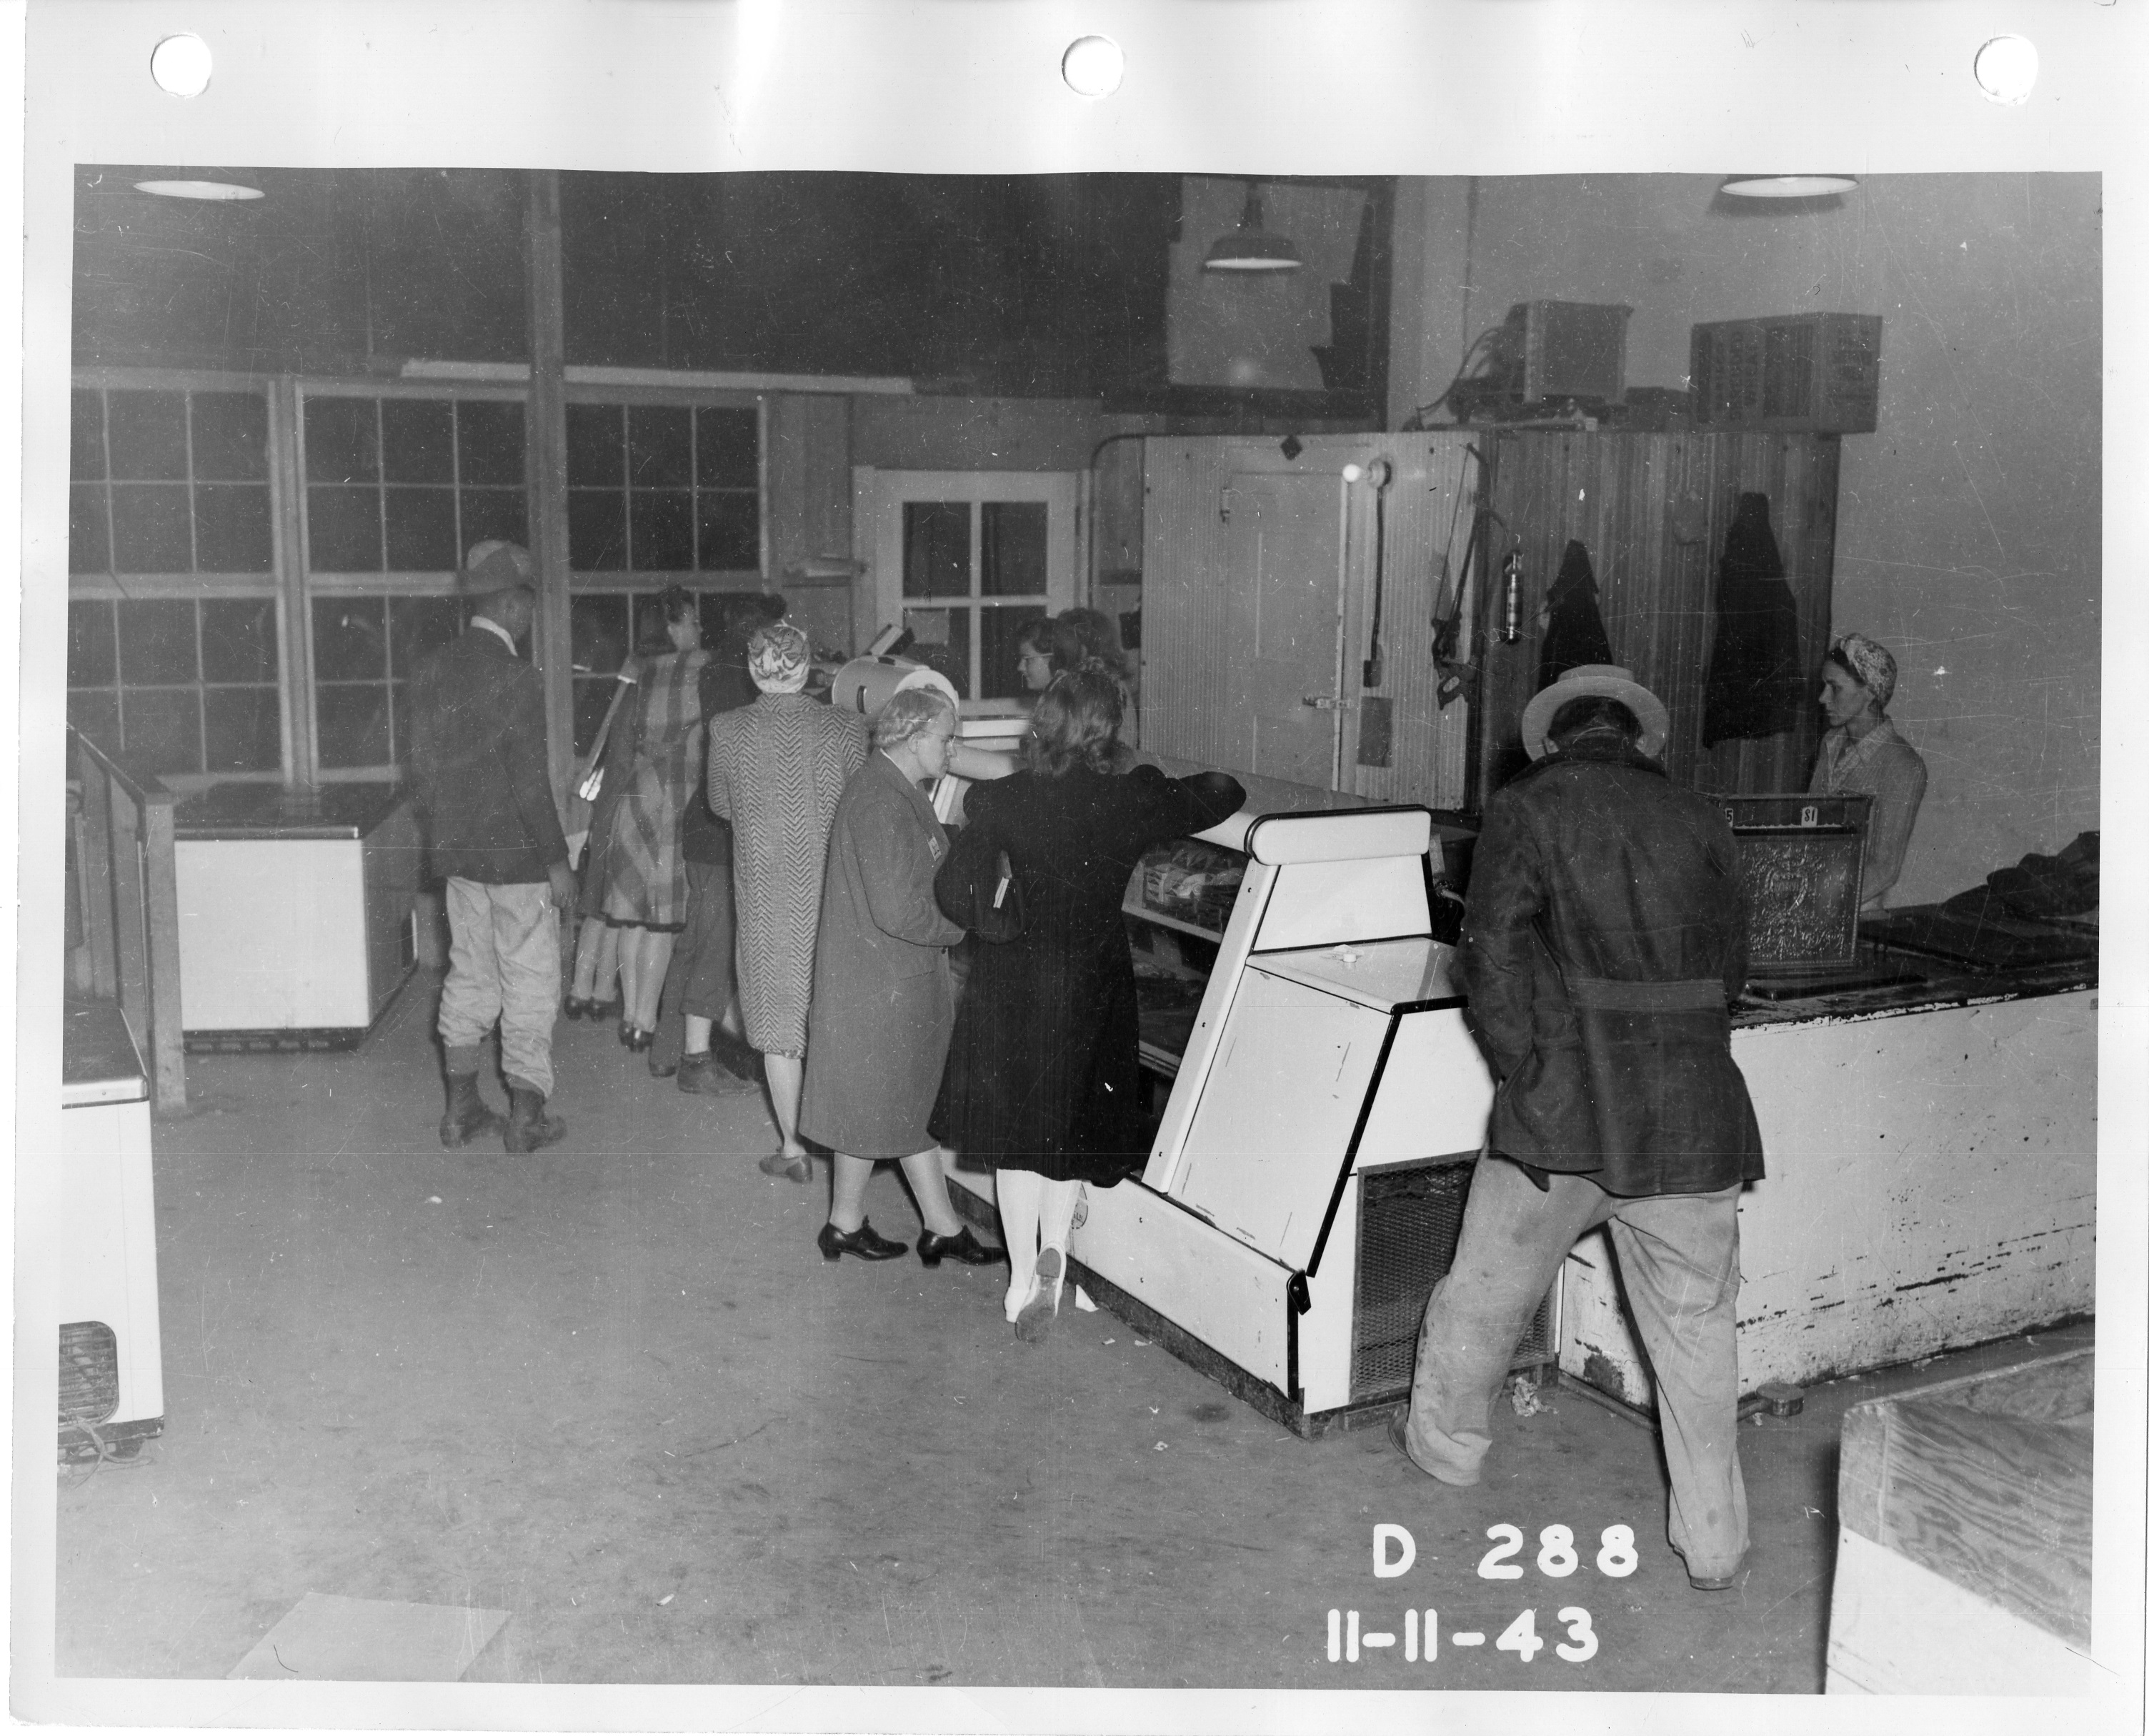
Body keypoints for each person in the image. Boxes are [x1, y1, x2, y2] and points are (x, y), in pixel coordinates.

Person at [1388, 663, 1764, 1592]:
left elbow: (1487, 957)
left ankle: (1446, 1457)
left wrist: (1529, 1065)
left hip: (1562, 1115)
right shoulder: (1702, 814)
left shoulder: (1527, 806)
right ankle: (1715, 1544)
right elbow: (1732, 968)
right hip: (1691, 1114)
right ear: (1636, 735)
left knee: (1483, 1298)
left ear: (1553, 737)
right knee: (1697, 1332)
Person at [931, 667, 1243, 1340]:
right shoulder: (1128, 800)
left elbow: (953, 889)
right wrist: (1145, 777)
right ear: (1108, 729)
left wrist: (999, 925)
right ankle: (1058, 1256)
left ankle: (1021, 1282)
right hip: (1092, 980)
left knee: (1017, 1139)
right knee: (1069, 1128)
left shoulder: (1007, 796)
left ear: (1045, 722)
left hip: (1013, 978)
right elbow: (1225, 791)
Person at [797, 689, 1006, 1267]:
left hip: (888, 977)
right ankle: (912, 1227)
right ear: (914, 739)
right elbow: (898, 909)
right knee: (891, 1105)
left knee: (895, 1105)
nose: (952, 749)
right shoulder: (880, 801)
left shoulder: (895, 788)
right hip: (885, 983)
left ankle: (893, 1225)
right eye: (946, 738)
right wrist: (965, 925)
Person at [405, 540, 576, 1154]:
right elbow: (530, 781)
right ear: (509, 606)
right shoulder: (516, 676)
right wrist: (557, 861)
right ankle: (526, 1119)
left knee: (469, 973)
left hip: (460, 858)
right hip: (519, 862)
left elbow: (422, 773)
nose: (529, 617)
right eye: (525, 605)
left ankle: (460, 1113)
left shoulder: (431, 668)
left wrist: (450, 833)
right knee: (530, 979)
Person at [705, 619, 869, 1181]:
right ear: (809, 667)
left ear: (753, 670)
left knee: (778, 1028)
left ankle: (795, 1148)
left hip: (767, 898)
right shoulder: (845, 726)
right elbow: (860, 803)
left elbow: (721, 804)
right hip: (835, 893)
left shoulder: (728, 729)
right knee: (832, 1015)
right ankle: (846, 1147)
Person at [646, 593, 788, 1091]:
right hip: (727, 830)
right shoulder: (743, 682)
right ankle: (696, 1061)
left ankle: (666, 1050)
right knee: (719, 946)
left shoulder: (717, 671)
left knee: (693, 944)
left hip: (704, 824)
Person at [594, 587, 709, 1051]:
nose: (699, 628)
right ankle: (645, 1021)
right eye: (692, 620)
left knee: (632, 916)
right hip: (673, 800)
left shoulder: (641, 670)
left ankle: (630, 1018)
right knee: (662, 918)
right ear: (673, 626)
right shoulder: (698, 667)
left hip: (637, 796)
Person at [1811, 632, 1927, 913]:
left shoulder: (1902, 764)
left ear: (1870, 693)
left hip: (1855, 911)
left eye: (1835, 688)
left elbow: (1885, 869)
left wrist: (1821, 904)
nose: (1823, 698)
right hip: (1813, 895)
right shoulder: (1830, 743)